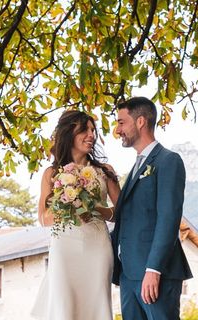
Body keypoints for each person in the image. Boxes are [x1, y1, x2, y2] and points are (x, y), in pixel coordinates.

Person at [31, 110, 120, 320]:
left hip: (97, 247)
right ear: (70, 133)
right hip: (64, 248)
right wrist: (67, 204)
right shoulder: (51, 174)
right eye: (85, 130)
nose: (91, 135)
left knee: (96, 305)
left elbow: (121, 212)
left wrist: (96, 209)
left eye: (93, 130)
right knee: (65, 306)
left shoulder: (105, 171)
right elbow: (43, 218)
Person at [111, 97, 193, 320]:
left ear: (140, 122)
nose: (117, 130)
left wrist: (153, 269)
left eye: (121, 122)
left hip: (155, 273)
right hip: (129, 274)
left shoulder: (168, 161)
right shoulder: (136, 165)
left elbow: (168, 218)